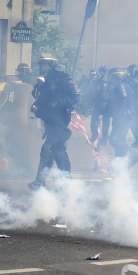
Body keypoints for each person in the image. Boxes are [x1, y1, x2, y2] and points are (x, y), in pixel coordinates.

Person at [27, 54, 80, 190]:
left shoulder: (64, 78)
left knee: (47, 148)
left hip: (61, 120)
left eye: (45, 65)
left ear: (52, 66)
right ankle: (67, 181)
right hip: (49, 120)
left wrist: (60, 102)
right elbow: (38, 96)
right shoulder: (43, 80)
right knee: (58, 150)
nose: (42, 68)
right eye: (40, 65)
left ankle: (39, 182)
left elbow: (75, 96)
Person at [107, 67, 138, 167]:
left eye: (111, 77)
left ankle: (132, 155)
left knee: (114, 138)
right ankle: (120, 164)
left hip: (124, 116)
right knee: (119, 139)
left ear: (115, 76)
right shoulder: (125, 84)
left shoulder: (120, 85)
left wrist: (116, 110)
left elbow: (123, 96)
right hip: (125, 116)